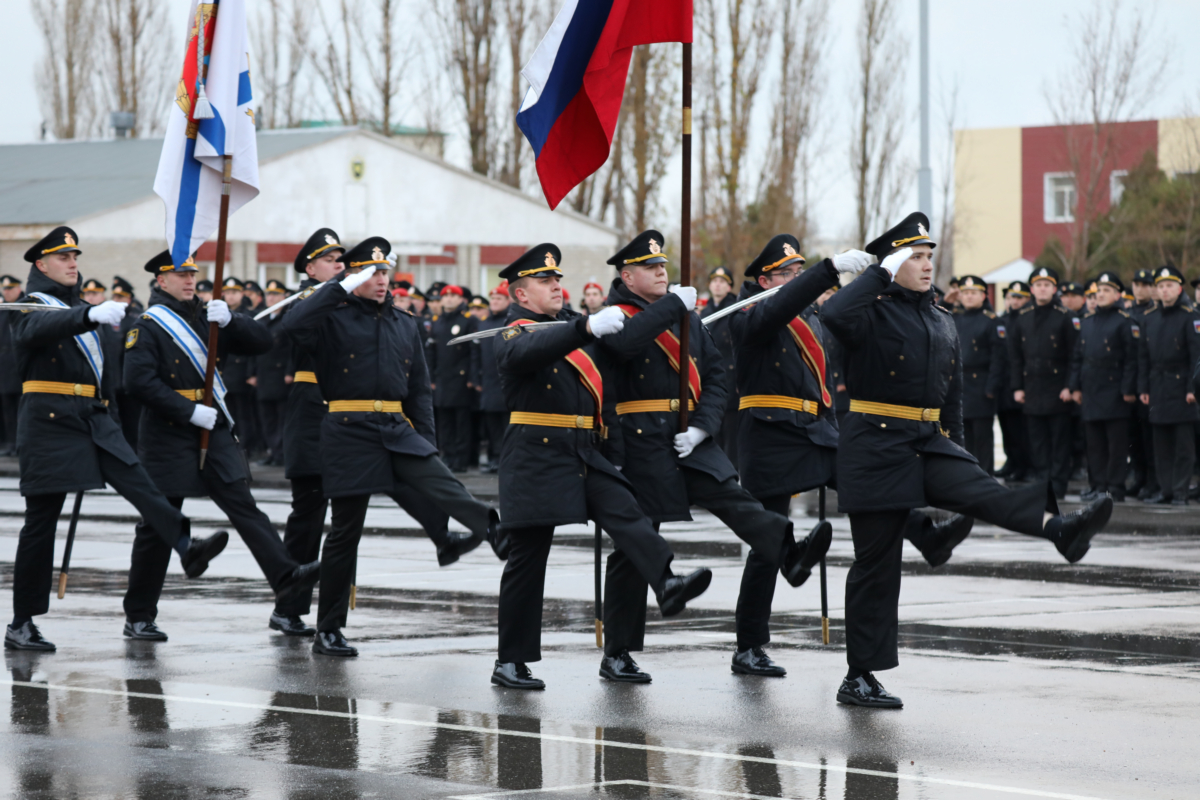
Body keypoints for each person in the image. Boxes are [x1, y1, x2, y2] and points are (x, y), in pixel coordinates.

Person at [821, 212, 1112, 708]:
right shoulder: (870, 310)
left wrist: (957, 446)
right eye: (915, 256)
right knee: (877, 565)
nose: (927, 264)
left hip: (925, 439)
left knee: (984, 490)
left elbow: (949, 392)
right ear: (892, 263)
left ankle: (1057, 529)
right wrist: (875, 272)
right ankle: (859, 675)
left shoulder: (938, 316)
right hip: (873, 444)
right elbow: (831, 315)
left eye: (930, 255)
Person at [492, 243, 712, 689]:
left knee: (628, 513)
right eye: (544, 281)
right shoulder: (514, 332)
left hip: (583, 448)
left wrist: (612, 455)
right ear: (520, 296)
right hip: (535, 452)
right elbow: (527, 354)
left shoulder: (577, 331)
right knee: (529, 559)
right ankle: (511, 660)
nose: (556, 285)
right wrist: (585, 326)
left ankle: (666, 582)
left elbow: (603, 396)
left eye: (557, 279)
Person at [596, 231, 812, 681]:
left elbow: (716, 374)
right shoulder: (615, 316)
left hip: (687, 435)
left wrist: (702, 426)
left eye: (663, 266)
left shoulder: (684, 315)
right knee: (633, 546)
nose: (661, 272)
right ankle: (617, 651)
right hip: (638, 438)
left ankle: (787, 551)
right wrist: (673, 307)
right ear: (626, 275)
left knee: (732, 496)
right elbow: (625, 346)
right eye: (650, 268)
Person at [5, 229, 226, 651]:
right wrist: (87, 316)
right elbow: (34, 332)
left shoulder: (88, 310)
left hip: (94, 417)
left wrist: (119, 427)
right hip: (49, 420)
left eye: (75, 255)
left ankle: (186, 545)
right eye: (63, 257)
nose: (72, 262)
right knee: (42, 521)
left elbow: (108, 378)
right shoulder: (32, 306)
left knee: (143, 486)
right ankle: (21, 622)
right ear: (41, 265)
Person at [283, 237, 500, 658]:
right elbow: (293, 326)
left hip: (396, 426)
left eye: (385, 272)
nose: (381, 280)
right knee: (346, 532)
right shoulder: (333, 316)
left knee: (440, 480)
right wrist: (340, 286)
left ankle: (492, 528)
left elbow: (419, 390)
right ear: (352, 275)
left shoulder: (405, 323)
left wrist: (427, 441)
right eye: (371, 273)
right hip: (348, 427)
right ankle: (328, 629)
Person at [122, 250, 321, 637]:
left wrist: (233, 320)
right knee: (159, 523)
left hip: (212, 425)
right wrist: (187, 411)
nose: (189, 279)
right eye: (180, 274)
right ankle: (140, 614)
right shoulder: (148, 326)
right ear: (161, 281)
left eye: (192, 272)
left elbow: (263, 342)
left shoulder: (208, 314)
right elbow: (138, 382)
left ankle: (285, 575)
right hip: (169, 430)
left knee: (243, 504)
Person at [1009, 267, 1078, 499]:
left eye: (1047, 285)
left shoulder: (1065, 316)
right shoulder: (1024, 316)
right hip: (1032, 388)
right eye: (1038, 285)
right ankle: (1042, 482)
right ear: (1032, 289)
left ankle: (1058, 485)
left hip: (1058, 389)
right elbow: (1016, 356)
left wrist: (1070, 385)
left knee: (1059, 441)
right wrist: (1017, 387)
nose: (1042, 289)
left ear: (1054, 288)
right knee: (1037, 442)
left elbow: (1073, 355)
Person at [1069, 272, 1137, 502]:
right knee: (1094, 444)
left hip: (1115, 390)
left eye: (1106, 291)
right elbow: (1078, 357)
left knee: (1116, 445)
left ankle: (1115, 487)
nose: (1101, 295)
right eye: (1098, 291)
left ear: (1118, 294)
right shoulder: (1088, 321)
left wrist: (1128, 389)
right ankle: (1097, 484)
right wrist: (1075, 386)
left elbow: (1131, 359)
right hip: (1091, 389)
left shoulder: (1125, 321)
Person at [1136, 265, 1200, 505]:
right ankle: (1166, 490)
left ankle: (1181, 491)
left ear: (1179, 288)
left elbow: (1196, 356)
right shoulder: (1150, 318)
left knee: (1183, 445)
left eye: (1169, 286)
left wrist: (1192, 388)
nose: (1164, 291)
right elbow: (1143, 356)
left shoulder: (1190, 315)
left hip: (1182, 386)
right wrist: (1143, 387)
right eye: (1160, 286)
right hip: (1157, 386)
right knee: (1161, 444)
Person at [954, 276, 1007, 474]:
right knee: (962, 435)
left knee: (982, 436)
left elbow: (998, 357)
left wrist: (992, 386)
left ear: (983, 295)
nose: (968, 297)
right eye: (965, 293)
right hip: (960, 384)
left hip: (981, 385)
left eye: (973, 293)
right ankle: (966, 476)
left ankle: (985, 475)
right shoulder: (954, 317)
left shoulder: (992, 321)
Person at [429, 285, 476, 472]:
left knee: (462, 422)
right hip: (442, 378)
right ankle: (447, 456)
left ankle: (461, 460)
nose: (448, 299)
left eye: (453, 296)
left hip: (461, 379)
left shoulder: (467, 320)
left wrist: (472, 376)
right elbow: (431, 352)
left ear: (460, 300)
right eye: (445, 296)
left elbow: (473, 352)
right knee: (444, 421)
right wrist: (431, 376)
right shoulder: (437, 321)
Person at [699, 266, 739, 462]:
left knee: (731, 437)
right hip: (709, 383)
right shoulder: (704, 313)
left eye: (723, 281)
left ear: (729, 287)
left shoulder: (736, 310)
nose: (717, 284)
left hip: (731, 383)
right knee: (714, 434)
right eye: (714, 281)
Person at [217, 277, 260, 458]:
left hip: (242, 372)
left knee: (245, 414)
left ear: (242, 294)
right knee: (229, 413)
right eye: (227, 293)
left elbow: (254, 347)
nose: (231, 296)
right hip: (226, 373)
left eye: (234, 292)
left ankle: (247, 447)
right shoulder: (220, 315)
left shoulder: (247, 316)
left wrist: (251, 372)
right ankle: (232, 446)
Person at [252, 279, 291, 467]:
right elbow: (253, 348)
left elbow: (293, 348)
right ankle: (272, 452)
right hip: (264, 376)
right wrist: (251, 373)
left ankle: (281, 453)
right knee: (267, 418)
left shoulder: (287, 319)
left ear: (284, 297)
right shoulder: (263, 318)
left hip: (281, 375)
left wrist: (291, 371)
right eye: (269, 294)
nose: (271, 298)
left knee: (282, 418)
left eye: (275, 294)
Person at [472, 281, 510, 472]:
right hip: (488, 382)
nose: (494, 302)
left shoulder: (510, 322)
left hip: (505, 382)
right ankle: (495, 457)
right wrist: (476, 379)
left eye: (498, 298)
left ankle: (506, 459)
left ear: (507, 300)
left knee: (506, 424)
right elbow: (476, 354)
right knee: (492, 425)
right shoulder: (484, 323)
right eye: (493, 298)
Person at [1127, 269, 1159, 499]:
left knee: (1150, 438)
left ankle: (1152, 480)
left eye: (1145, 284)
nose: (1140, 288)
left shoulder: (1154, 313)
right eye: (1137, 284)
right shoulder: (1126, 313)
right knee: (1134, 437)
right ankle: (1139, 477)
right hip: (1130, 381)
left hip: (1149, 382)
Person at [995, 282, 1031, 481]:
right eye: (1010, 297)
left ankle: (1023, 465)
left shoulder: (1026, 319)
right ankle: (1011, 461)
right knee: (1006, 428)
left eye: (1018, 297)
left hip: (1021, 382)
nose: (1014, 301)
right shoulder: (1001, 320)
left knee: (1021, 430)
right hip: (1004, 383)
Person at [0, 275, 24, 456]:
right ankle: (10, 443)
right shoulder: (3, 309)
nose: (6, 292)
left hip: (22, 368)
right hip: (5, 369)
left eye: (10, 289)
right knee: (8, 408)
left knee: (23, 409)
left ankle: (22, 442)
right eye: (4, 289)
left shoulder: (26, 307)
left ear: (18, 289)